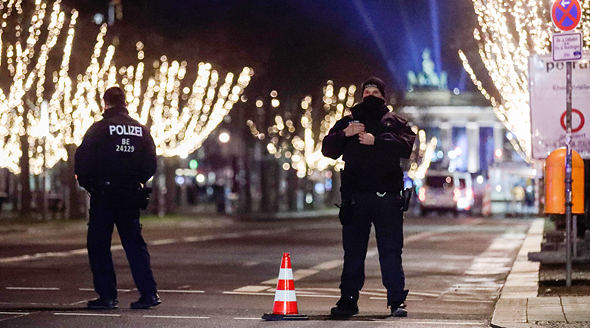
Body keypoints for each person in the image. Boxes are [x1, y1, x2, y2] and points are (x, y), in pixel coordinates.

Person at [321, 77, 416, 317]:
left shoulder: (395, 122)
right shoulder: (349, 122)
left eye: (375, 91)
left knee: (391, 250)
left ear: (384, 96)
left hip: (387, 197)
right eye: (366, 92)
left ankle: (396, 301)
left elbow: (406, 147)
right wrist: (345, 134)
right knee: (353, 252)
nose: (370, 95)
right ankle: (348, 301)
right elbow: (327, 149)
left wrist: (378, 141)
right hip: (356, 198)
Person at [75, 86, 160, 310]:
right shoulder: (141, 130)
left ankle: (107, 296)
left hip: (104, 194)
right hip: (130, 194)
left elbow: (82, 161)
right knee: (134, 244)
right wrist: (136, 180)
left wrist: (89, 184)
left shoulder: (99, 129)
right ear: (125, 103)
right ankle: (149, 294)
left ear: (105, 103)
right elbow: (150, 164)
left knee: (99, 245)